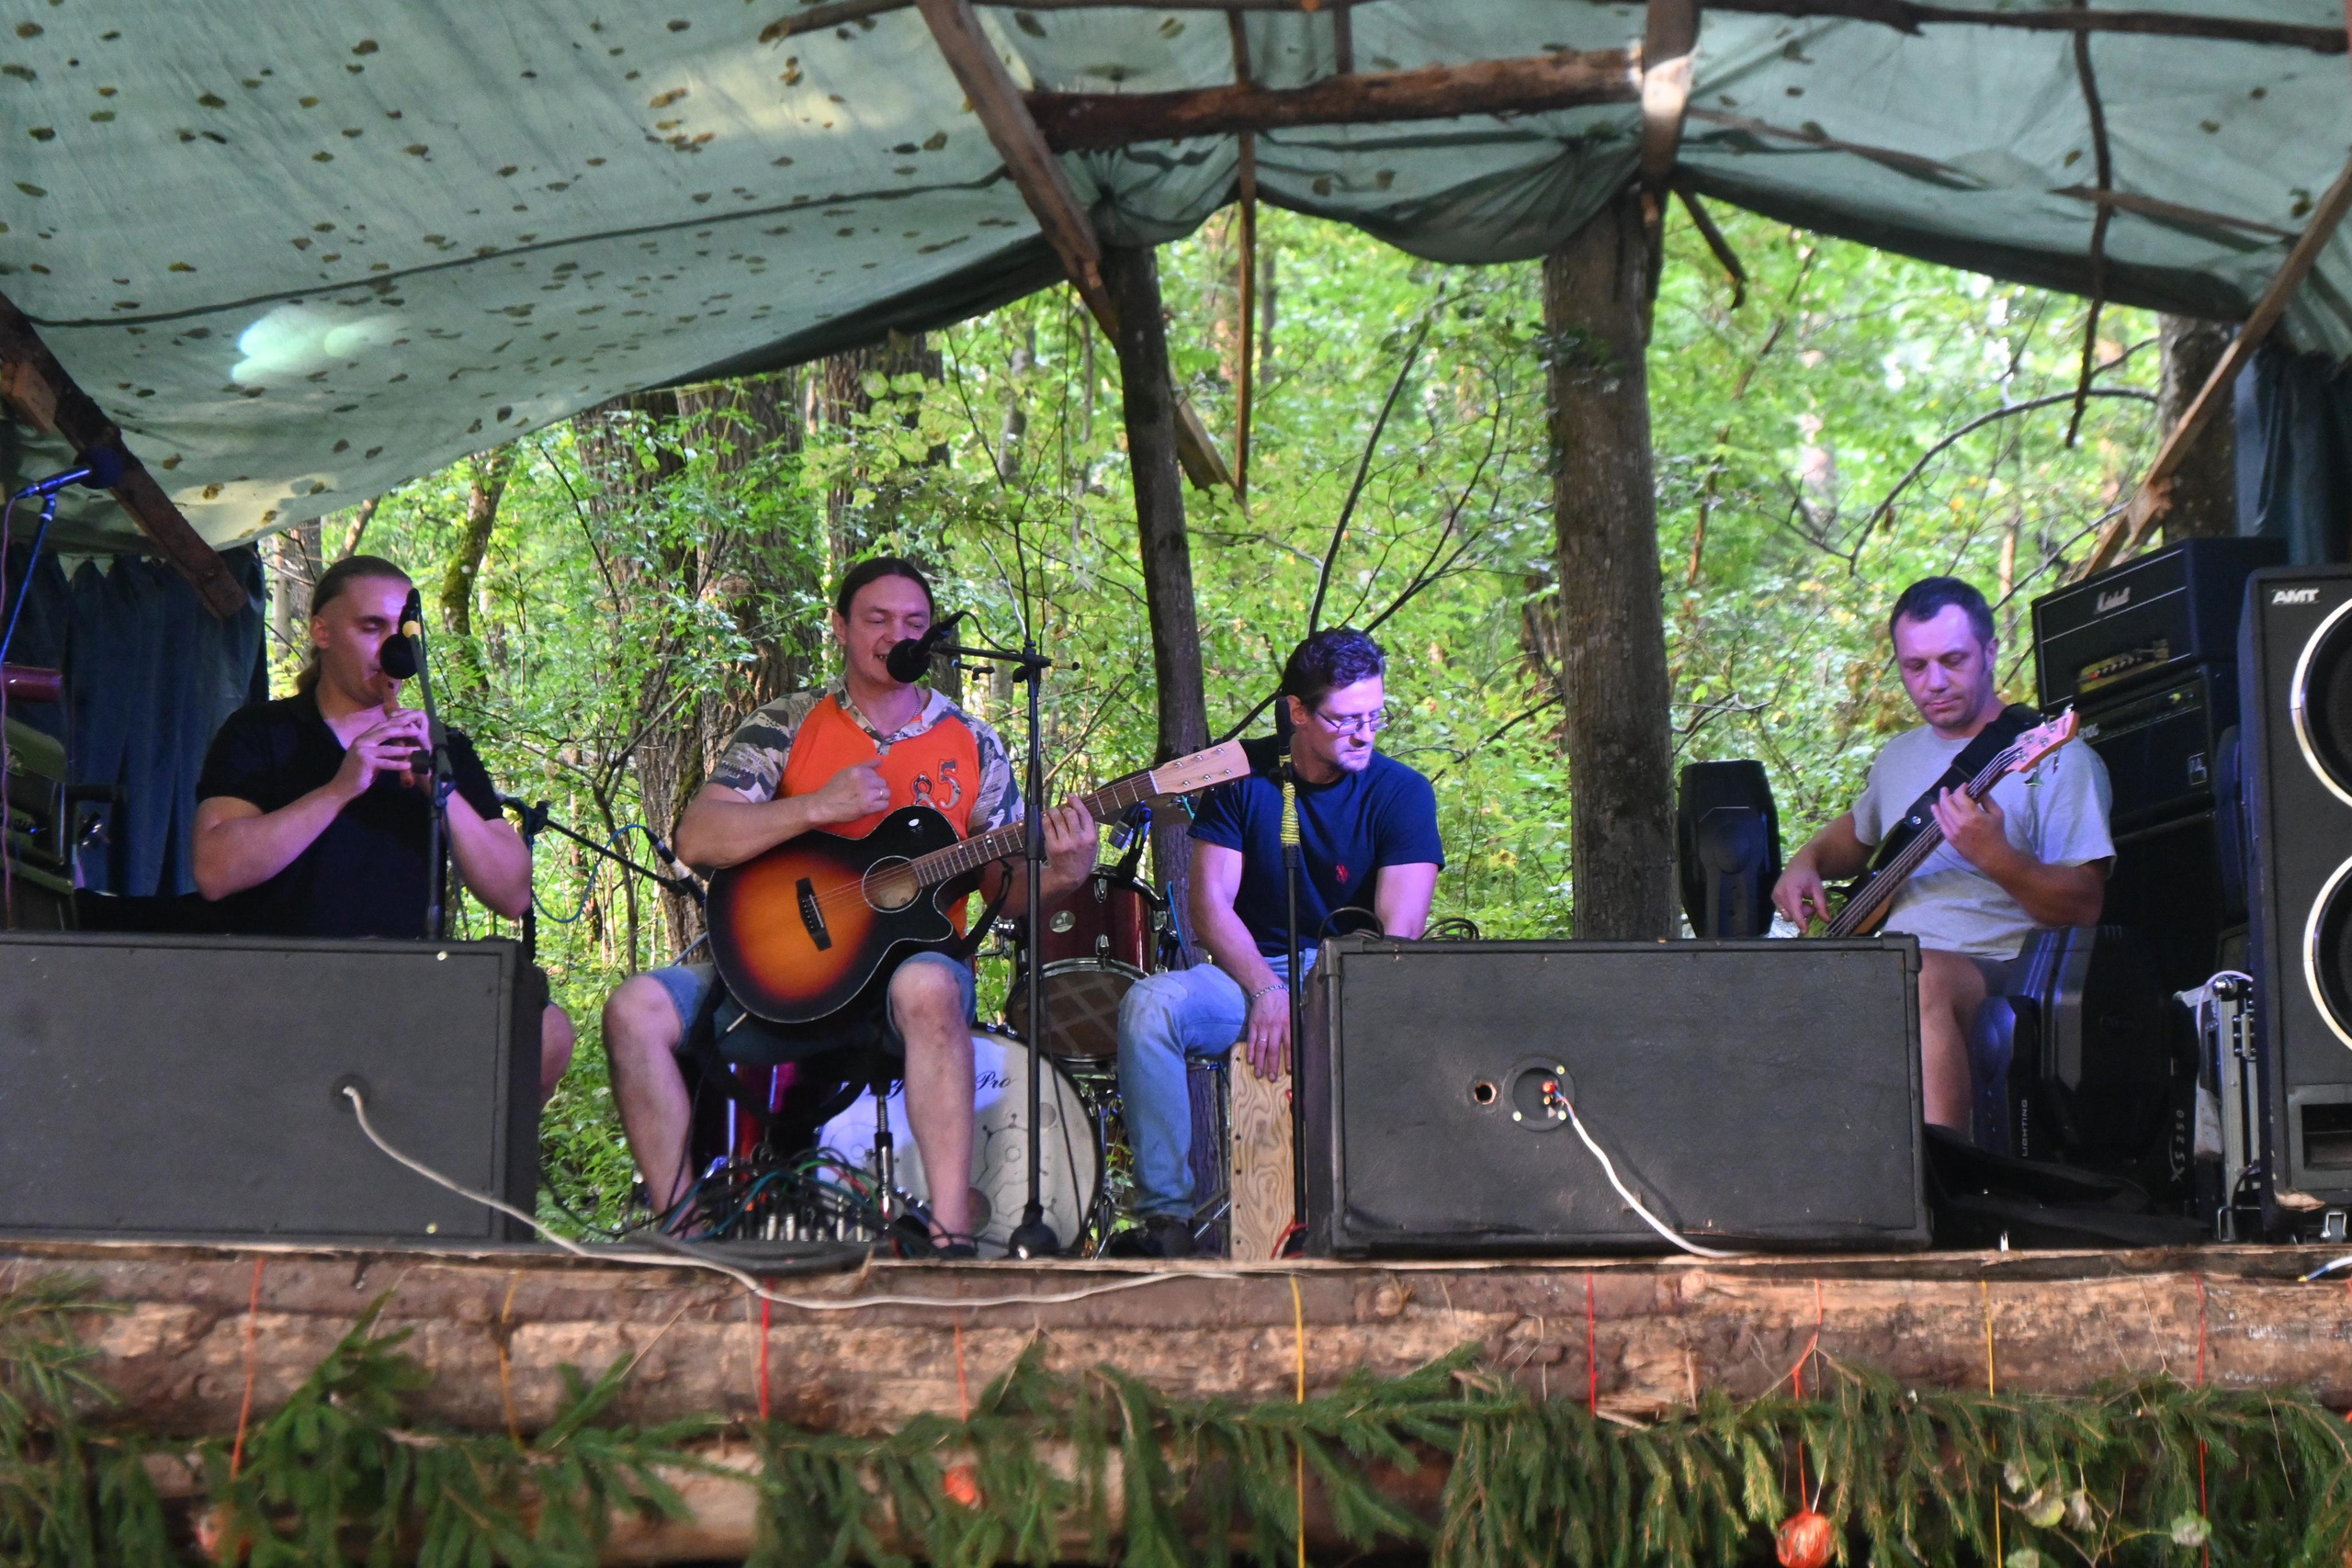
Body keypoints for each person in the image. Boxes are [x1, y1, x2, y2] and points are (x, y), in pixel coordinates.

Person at [600, 557, 1097, 1256]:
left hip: (910, 977)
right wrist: (816, 806)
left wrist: (1064, 874)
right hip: (782, 973)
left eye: (915, 622)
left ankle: (949, 1238)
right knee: (634, 1010)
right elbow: (699, 837)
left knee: (928, 986)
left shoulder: (975, 742)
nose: (898, 634)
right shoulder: (787, 721)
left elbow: (1004, 891)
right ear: (840, 627)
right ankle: (683, 1233)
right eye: (878, 619)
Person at [192, 554, 575, 1102]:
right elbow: (214, 870)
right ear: (322, 632)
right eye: (371, 627)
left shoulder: (442, 747)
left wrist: (439, 786)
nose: (390, 648)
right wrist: (339, 788)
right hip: (280, 979)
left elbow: (511, 895)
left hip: (405, 981)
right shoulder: (261, 732)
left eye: (402, 631)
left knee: (545, 1032)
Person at [1114, 627, 1444, 1258]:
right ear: (1298, 711)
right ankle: (1167, 1221)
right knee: (1150, 1006)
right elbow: (1210, 907)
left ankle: (1369, 1215)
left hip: (1347, 984)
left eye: (1375, 716)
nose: (1364, 734)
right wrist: (1266, 989)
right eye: (1346, 719)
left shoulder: (1402, 792)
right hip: (1247, 975)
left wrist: (1312, 996)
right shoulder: (1242, 779)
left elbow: (1398, 937)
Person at [1770, 576, 2112, 1134]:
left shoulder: (2056, 760)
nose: (1934, 682)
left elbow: (2085, 906)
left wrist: (1996, 856)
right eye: (1915, 666)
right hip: (1889, 965)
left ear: (1990, 652)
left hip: (2001, 972)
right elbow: (1855, 835)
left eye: (1953, 660)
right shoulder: (1898, 756)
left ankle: (1943, 1171)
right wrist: (1805, 862)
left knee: (1916, 975)